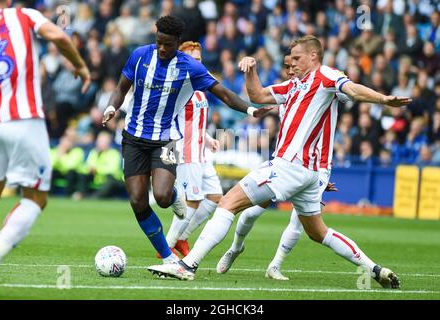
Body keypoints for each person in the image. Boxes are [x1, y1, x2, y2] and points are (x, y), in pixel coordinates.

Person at [147, 35, 411, 289]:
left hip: (289, 165)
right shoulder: (294, 86)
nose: (292, 63)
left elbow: (351, 89)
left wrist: (383, 99)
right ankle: (375, 269)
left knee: (228, 202)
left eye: (297, 58)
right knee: (318, 232)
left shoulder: (326, 75)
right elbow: (258, 96)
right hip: (307, 173)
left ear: (313, 56)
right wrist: (250, 70)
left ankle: (187, 265)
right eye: (290, 59)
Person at [102, 16, 270, 266]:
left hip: (167, 141)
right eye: (159, 42)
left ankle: (174, 195)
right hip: (133, 138)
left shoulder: (190, 67)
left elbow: (223, 94)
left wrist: (250, 110)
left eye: (167, 44)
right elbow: (121, 87)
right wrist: (111, 107)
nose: (161, 48)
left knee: (161, 196)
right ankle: (168, 257)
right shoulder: (139, 55)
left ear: (177, 42)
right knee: (138, 200)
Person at [0, 0, 91, 299]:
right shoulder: (24, 15)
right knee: (35, 198)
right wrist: (81, 65)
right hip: (25, 120)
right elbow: (59, 35)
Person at [216, 54, 346, 280]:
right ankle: (236, 247)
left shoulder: (326, 90)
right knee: (249, 214)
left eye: (294, 65)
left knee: (299, 220)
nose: (290, 70)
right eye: (287, 67)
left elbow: (346, 89)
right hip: (285, 164)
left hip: (316, 167)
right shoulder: (290, 91)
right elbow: (259, 98)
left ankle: (275, 265)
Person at [162, 41, 223, 258]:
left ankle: (182, 237)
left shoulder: (200, 88)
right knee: (193, 200)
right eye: (193, 59)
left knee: (215, 197)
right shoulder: (179, 89)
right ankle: (166, 246)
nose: (198, 63)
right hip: (186, 152)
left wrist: (207, 138)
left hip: (201, 152)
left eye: (199, 59)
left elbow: (193, 121)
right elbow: (169, 120)